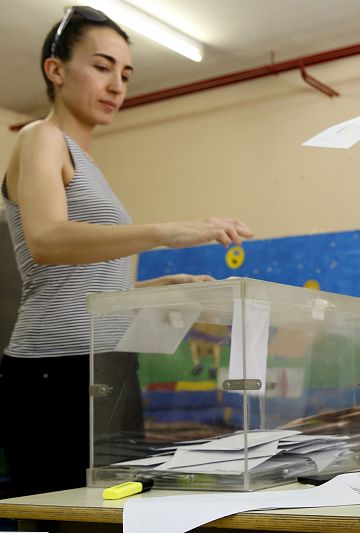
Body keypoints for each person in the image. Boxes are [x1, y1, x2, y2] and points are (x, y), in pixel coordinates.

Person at [0, 6, 252, 497]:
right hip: (56, 368)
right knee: (68, 514)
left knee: (117, 513)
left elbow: (83, 284)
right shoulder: (40, 138)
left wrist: (154, 290)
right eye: (101, 66)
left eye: (125, 73)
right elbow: (47, 241)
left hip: (108, 368)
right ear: (55, 70)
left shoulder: (90, 164)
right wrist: (166, 232)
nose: (117, 84)